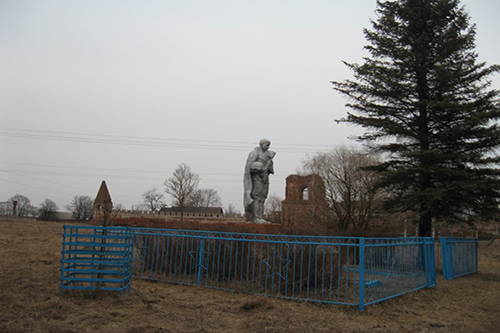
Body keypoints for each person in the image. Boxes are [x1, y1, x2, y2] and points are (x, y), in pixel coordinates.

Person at [243, 138, 275, 223]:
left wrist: (269, 164)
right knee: (257, 198)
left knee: (262, 198)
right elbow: (248, 167)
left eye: (269, 145)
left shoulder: (268, 155)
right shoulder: (254, 153)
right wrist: (258, 168)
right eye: (266, 145)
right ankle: (255, 217)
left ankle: (260, 217)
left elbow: (271, 170)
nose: (268, 147)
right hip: (256, 179)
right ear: (261, 144)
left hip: (265, 178)